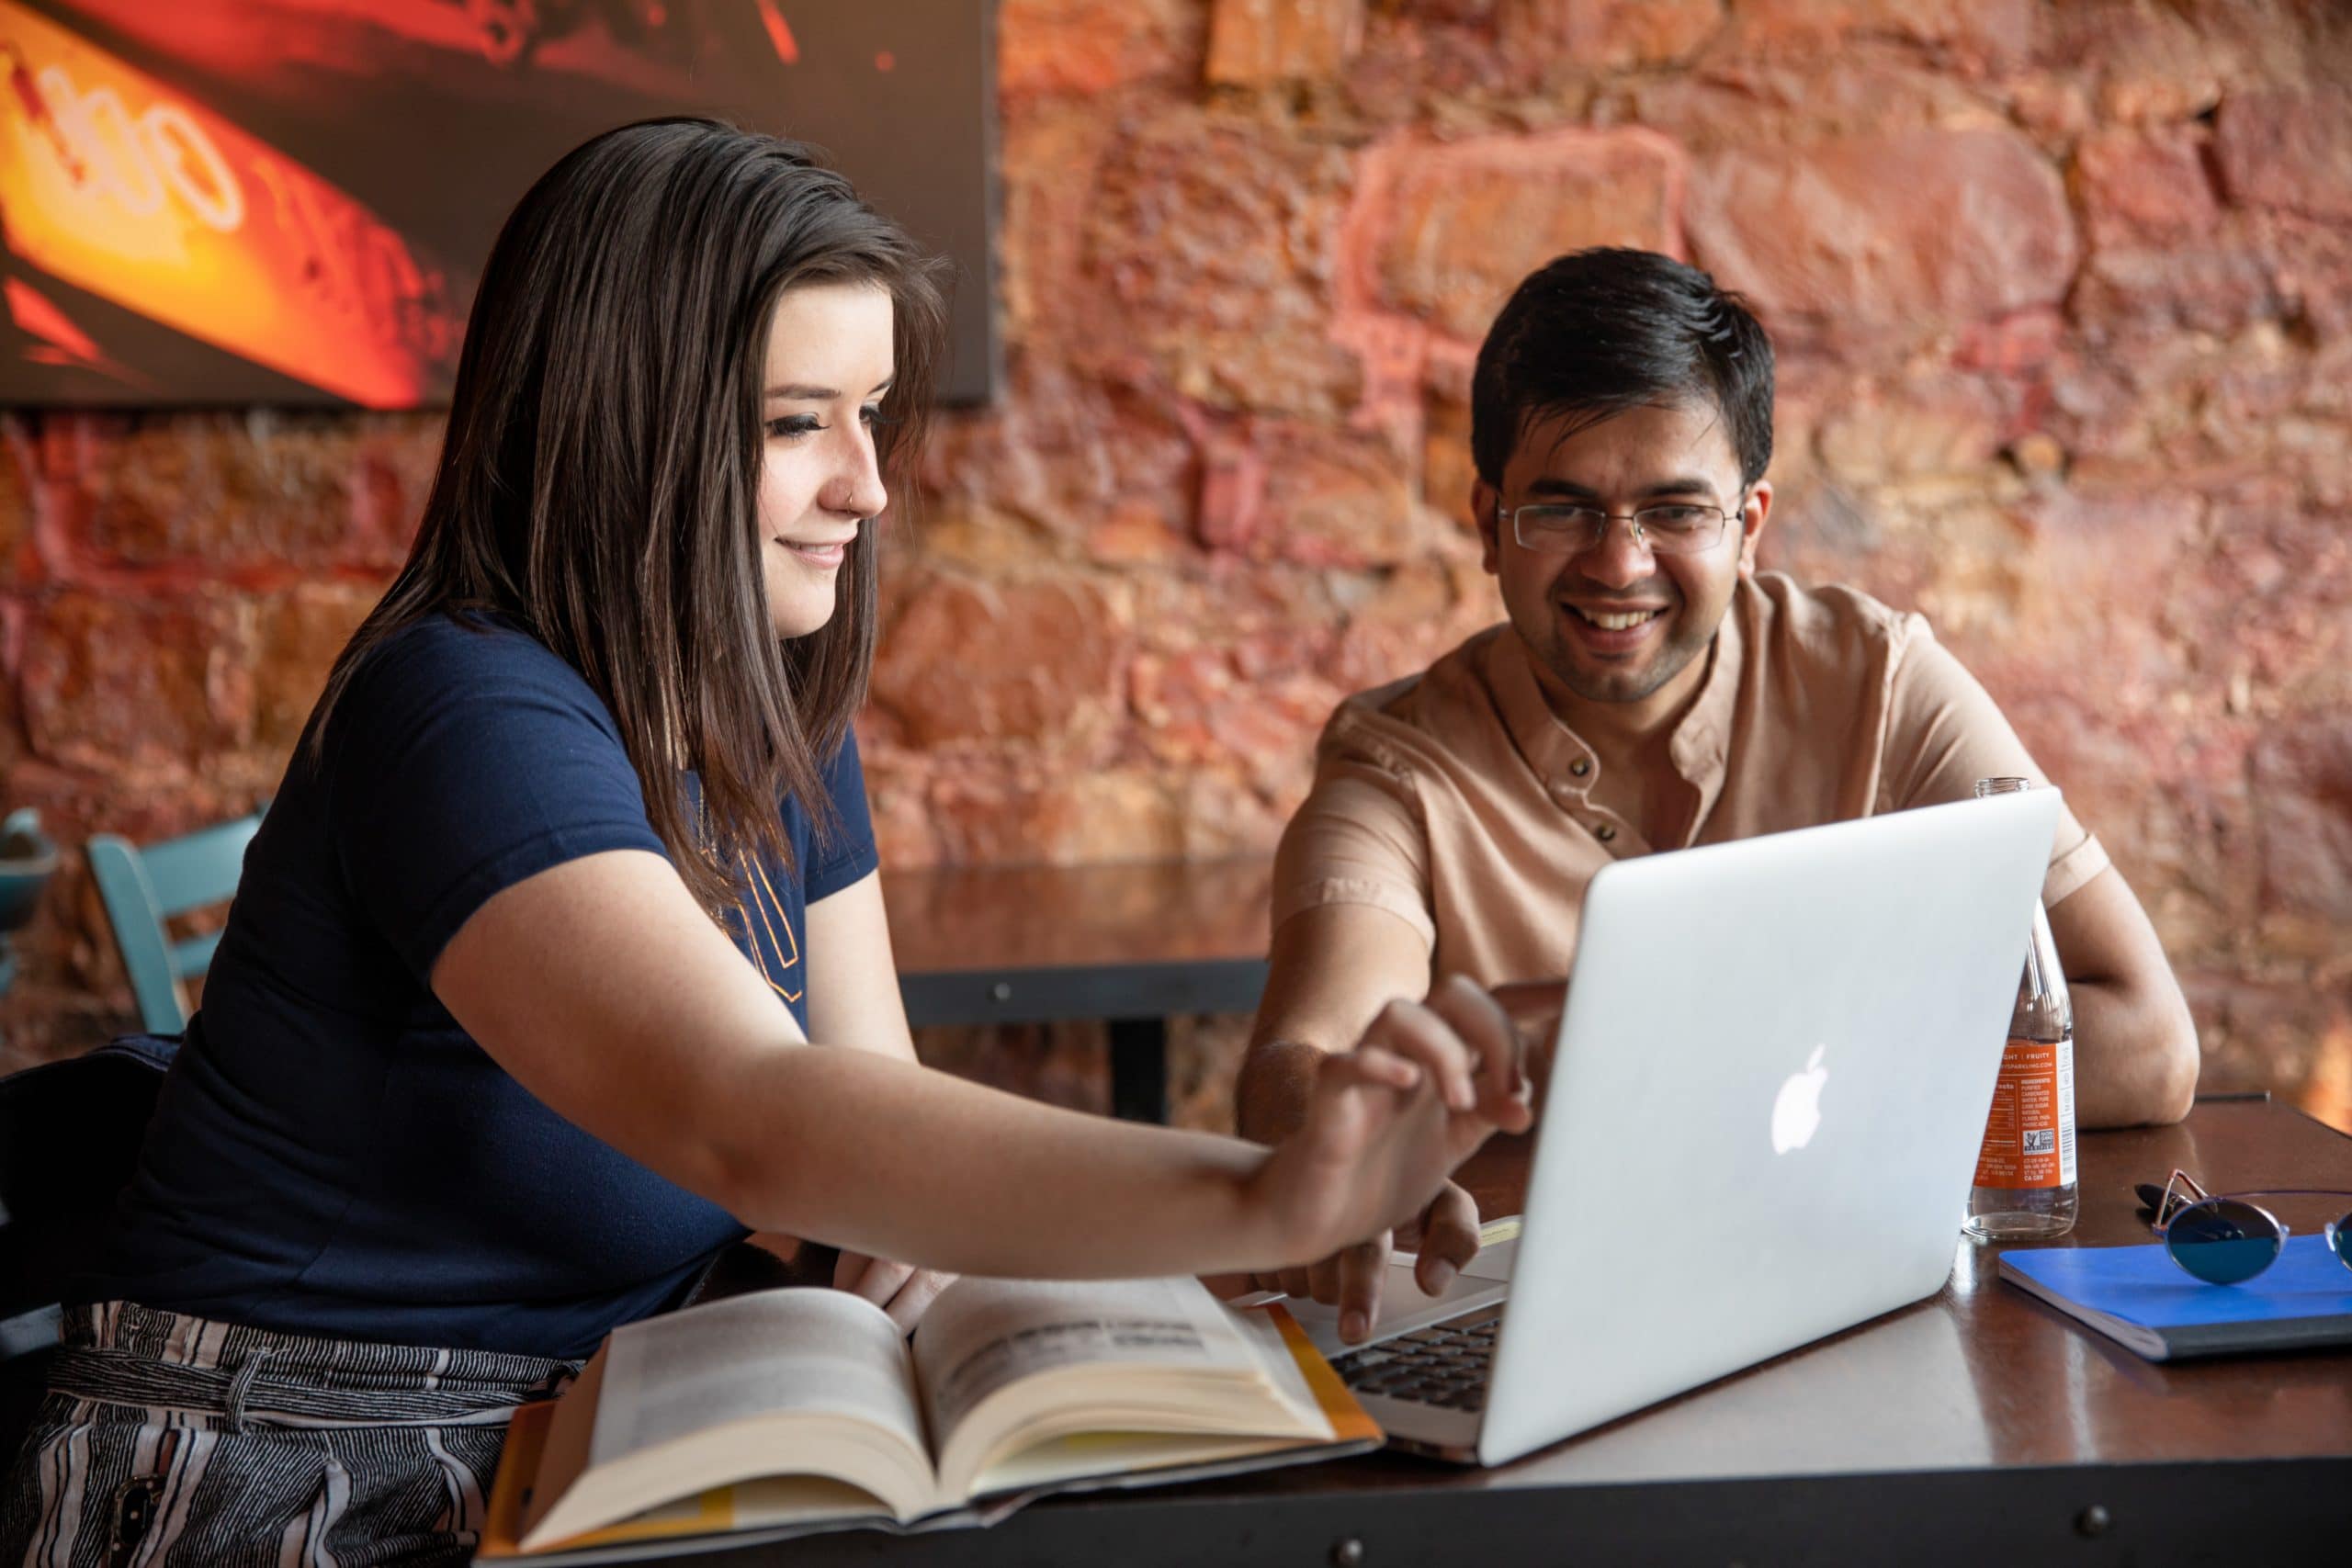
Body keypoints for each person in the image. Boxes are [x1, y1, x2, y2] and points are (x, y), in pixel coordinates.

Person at [0, 120, 1530, 1566]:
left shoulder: (777, 715)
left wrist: (1290, 1231)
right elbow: (756, 1114)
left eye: (867, 416)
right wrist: (1277, 1192)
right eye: (799, 424)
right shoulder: (462, 711)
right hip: (287, 1473)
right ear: (625, 431)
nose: (865, 485)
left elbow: (857, 1132)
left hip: (581, 1423)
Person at [1233, 248, 2201, 1341]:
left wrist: (1662, 1084)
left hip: (1863, 1300)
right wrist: (1351, 1157)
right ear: (1486, 518)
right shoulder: (1396, 763)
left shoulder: (1879, 680)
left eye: (1674, 510)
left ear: (1748, 523)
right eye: (1561, 509)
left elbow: (2146, 1043)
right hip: (1550, 1321)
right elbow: (1297, 1064)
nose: (1618, 563)